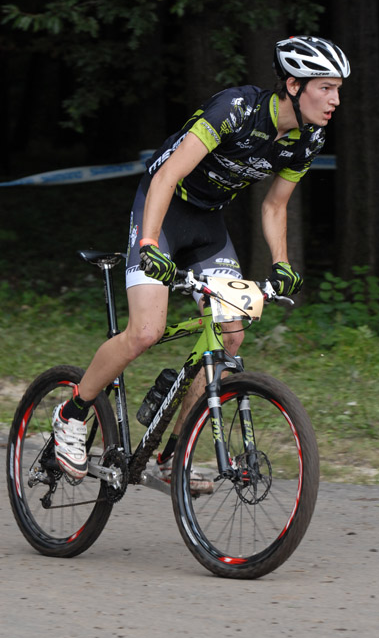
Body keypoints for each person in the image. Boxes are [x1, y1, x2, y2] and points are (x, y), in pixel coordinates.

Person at [52, 35, 350, 482]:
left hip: (208, 223)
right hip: (163, 208)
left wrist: (282, 262)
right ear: (293, 85)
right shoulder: (236, 110)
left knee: (230, 335)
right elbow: (167, 174)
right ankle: (72, 414)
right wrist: (149, 243)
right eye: (325, 87)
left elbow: (274, 205)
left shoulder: (309, 138)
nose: (335, 100)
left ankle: (173, 455)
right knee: (146, 332)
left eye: (338, 89)